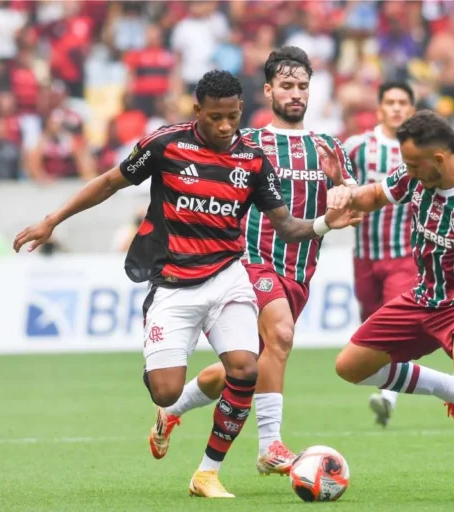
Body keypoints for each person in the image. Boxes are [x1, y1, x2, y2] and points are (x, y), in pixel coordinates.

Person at [13, 70, 359, 499]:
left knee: (246, 369)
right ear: (198, 110)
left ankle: (207, 473)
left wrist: (325, 223)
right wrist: (52, 220)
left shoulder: (252, 160)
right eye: (215, 117)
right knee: (166, 390)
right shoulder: (165, 145)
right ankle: (170, 408)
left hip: (229, 277)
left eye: (232, 116)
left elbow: (286, 226)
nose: (225, 126)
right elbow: (109, 182)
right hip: (174, 283)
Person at [146, 46, 357, 477]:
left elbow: (352, 204)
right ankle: (270, 445)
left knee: (242, 369)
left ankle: (172, 410)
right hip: (250, 262)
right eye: (287, 85)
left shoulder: (328, 146)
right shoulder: (247, 142)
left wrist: (344, 186)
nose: (296, 93)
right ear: (268, 91)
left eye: (302, 86)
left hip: (299, 271)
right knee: (281, 334)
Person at [327, 110, 454, 506]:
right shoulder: (415, 175)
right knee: (349, 367)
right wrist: (346, 194)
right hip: (422, 295)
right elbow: (375, 195)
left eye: (412, 165)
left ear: (438, 158)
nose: (407, 172)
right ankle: (453, 392)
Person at [343, 81, 419, 427]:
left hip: (404, 255)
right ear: (379, 109)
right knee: (371, 328)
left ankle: (388, 397)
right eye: (391, 102)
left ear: (412, 110)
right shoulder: (358, 147)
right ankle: (390, 388)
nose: (397, 108)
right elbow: (337, 182)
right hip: (365, 255)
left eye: (403, 102)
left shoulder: (419, 149)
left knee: (395, 325)